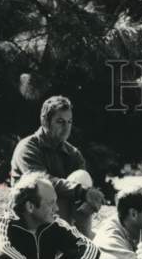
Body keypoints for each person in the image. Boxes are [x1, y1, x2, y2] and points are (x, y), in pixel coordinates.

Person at [10, 95, 105, 238]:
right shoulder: (27, 147)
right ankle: (75, 242)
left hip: (59, 213)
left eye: (69, 122)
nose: (66, 127)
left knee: (82, 176)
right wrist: (81, 191)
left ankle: (82, 241)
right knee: (77, 189)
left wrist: (89, 195)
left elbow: (83, 187)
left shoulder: (72, 152)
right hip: (30, 214)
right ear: (44, 121)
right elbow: (40, 183)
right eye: (60, 121)